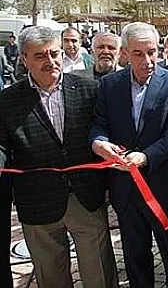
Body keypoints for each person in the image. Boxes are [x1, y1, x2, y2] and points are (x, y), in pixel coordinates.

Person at [0, 26, 117, 288]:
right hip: (37, 204)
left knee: (100, 275)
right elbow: (2, 146)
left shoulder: (89, 89)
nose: (51, 61)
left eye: (55, 53)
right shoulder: (7, 100)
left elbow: (102, 131)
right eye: (40, 56)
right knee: (51, 277)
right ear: (23, 58)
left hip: (85, 198)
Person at [89, 22, 168, 287]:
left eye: (152, 52)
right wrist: (99, 143)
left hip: (164, 188)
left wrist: (144, 157)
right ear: (124, 53)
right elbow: (99, 124)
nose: (147, 60)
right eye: (138, 54)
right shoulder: (109, 85)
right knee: (135, 257)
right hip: (125, 191)